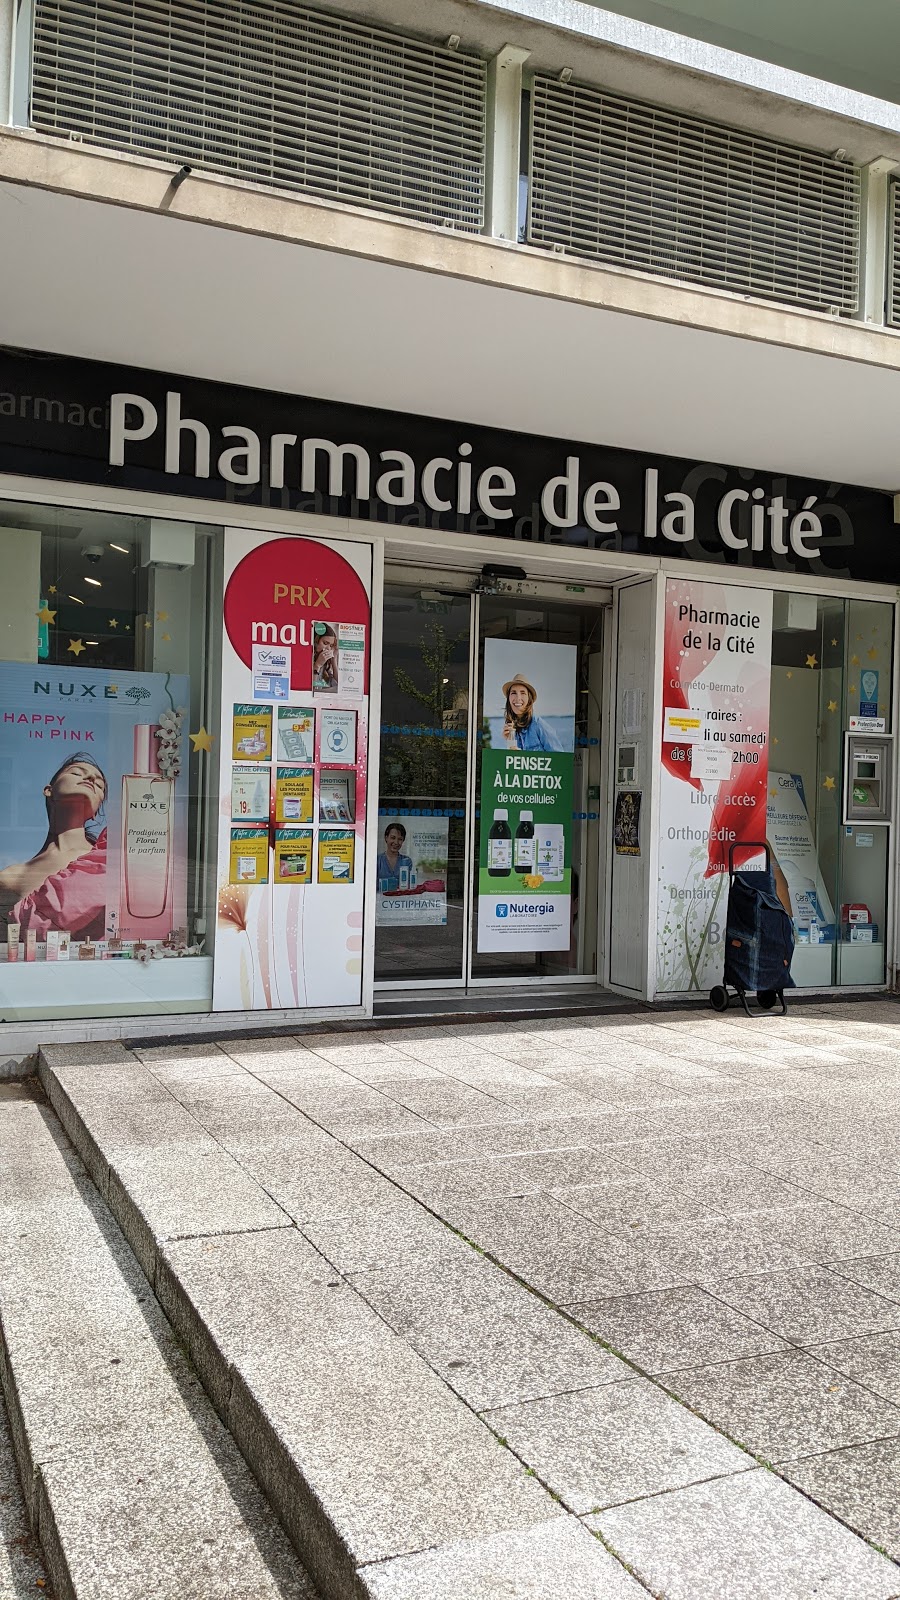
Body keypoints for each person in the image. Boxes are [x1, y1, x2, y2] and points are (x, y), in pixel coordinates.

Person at [0, 753, 108, 938]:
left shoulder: (111, 857)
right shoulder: (12, 877)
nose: (90, 778)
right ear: (49, 790)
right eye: (76, 773)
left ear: (96, 812)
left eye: (99, 785)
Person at [500, 673, 563, 751]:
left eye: (523, 693)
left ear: (529, 699)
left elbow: (559, 758)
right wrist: (509, 741)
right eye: (513, 693)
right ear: (509, 698)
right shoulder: (511, 729)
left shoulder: (538, 724)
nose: (518, 698)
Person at [375, 822, 414, 893]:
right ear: (386, 838)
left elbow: (408, 886)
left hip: (399, 902)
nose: (396, 842)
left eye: (400, 839)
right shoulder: (377, 860)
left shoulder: (407, 861)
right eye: (393, 838)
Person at [312, 625, 338, 691]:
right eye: (325, 643)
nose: (328, 648)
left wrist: (334, 660)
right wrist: (317, 665)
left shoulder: (325, 663)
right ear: (316, 641)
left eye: (331, 645)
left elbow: (337, 683)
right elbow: (312, 689)